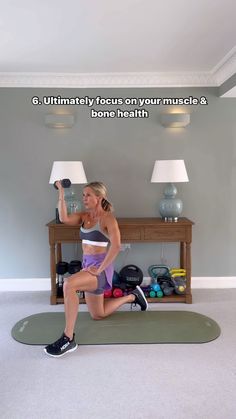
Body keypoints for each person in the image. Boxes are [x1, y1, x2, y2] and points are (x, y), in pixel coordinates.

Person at [44, 181, 148, 357]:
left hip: (99, 270)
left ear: (99, 197)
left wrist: (99, 270)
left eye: (88, 195)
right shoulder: (84, 216)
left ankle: (68, 338)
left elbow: (115, 247)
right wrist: (61, 191)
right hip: (88, 268)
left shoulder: (108, 219)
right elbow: (63, 218)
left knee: (69, 284)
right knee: (98, 314)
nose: (84, 198)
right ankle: (133, 296)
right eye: (83, 195)